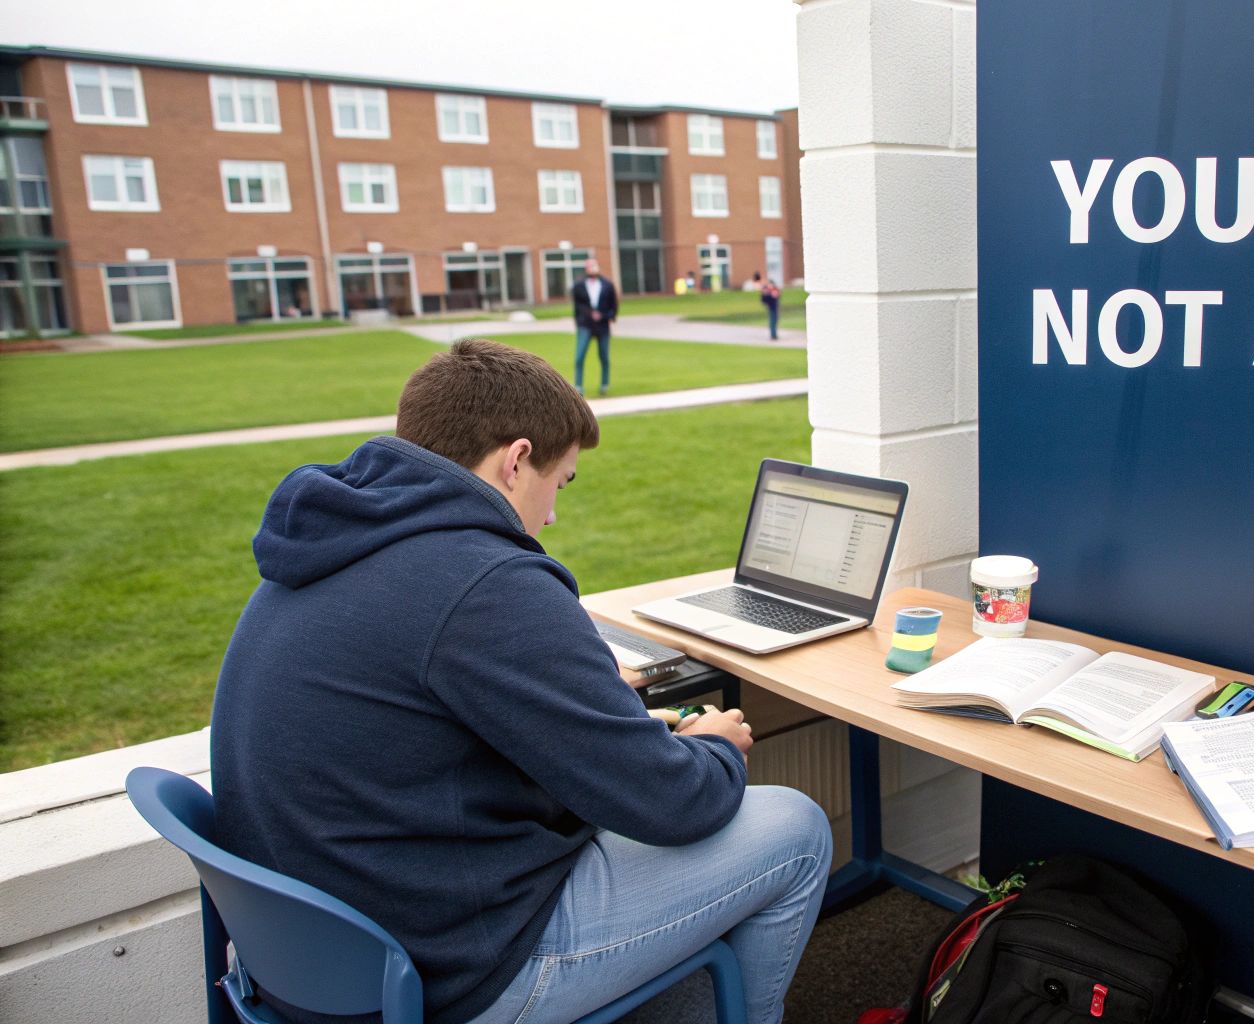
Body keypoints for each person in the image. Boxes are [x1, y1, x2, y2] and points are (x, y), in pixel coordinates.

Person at [210, 339, 831, 1024]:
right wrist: (713, 745)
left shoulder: (330, 539)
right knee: (796, 828)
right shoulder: (486, 582)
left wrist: (596, 708)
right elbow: (670, 802)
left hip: (325, 961)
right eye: (559, 482)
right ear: (515, 462)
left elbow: (426, 718)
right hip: (453, 968)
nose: (552, 515)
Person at [571, 259, 618, 396]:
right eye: (589, 267)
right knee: (579, 356)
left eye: (594, 266)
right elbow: (577, 307)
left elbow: (613, 307)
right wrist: (582, 319)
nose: (592, 269)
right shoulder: (579, 285)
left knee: (604, 356)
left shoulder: (607, 285)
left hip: (602, 326)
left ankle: (604, 384)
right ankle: (578, 386)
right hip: (586, 325)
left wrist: (605, 316)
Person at [760, 276, 782, 341]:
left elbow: (777, 296)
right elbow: (764, 300)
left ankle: (774, 335)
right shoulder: (768, 292)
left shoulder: (774, 290)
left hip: (775, 308)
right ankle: (773, 335)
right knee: (772, 322)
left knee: (775, 322)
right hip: (772, 308)